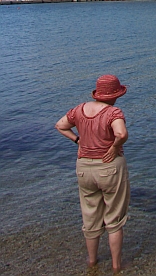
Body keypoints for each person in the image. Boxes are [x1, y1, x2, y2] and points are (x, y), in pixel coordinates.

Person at [55, 75, 130, 274]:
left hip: (84, 168)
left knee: (90, 216)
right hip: (109, 167)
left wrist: (77, 140)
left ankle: (92, 261)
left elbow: (60, 125)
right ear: (114, 95)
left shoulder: (79, 110)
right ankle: (116, 265)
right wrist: (114, 147)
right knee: (114, 218)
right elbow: (121, 134)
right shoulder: (113, 112)